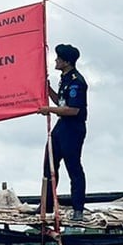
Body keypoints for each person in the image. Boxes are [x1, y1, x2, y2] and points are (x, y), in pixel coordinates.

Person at [37, 43, 88, 221]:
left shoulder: (76, 81)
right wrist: (48, 89)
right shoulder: (64, 78)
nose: (55, 60)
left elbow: (73, 109)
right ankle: (46, 204)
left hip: (73, 128)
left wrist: (48, 109)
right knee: (49, 165)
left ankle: (78, 208)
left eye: (58, 58)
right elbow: (61, 101)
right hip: (62, 125)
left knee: (73, 167)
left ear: (66, 61)